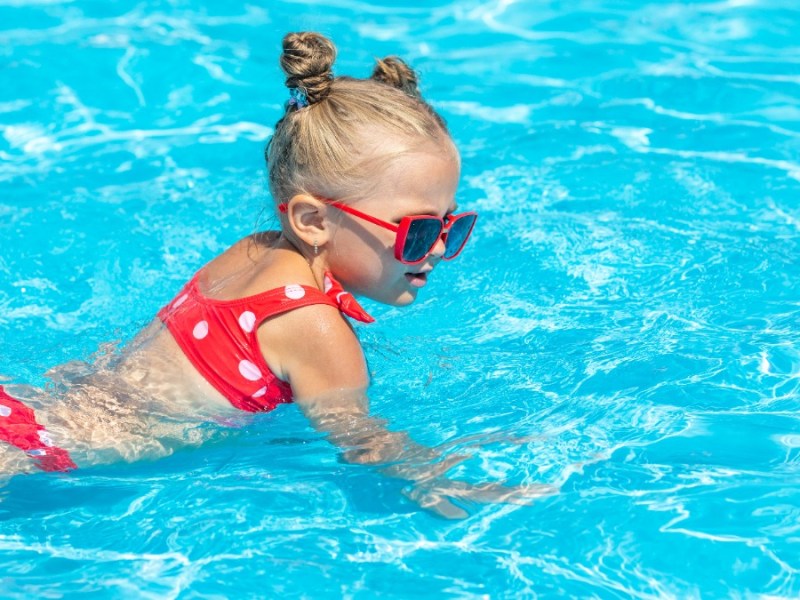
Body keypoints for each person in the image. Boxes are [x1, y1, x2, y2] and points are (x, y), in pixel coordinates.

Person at [0, 32, 553, 518]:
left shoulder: (252, 252)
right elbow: (358, 437)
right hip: (43, 453)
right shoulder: (314, 326)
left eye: (452, 227)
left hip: (26, 411)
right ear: (313, 220)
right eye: (415, 229)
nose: (436, 250)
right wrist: (433, 474)